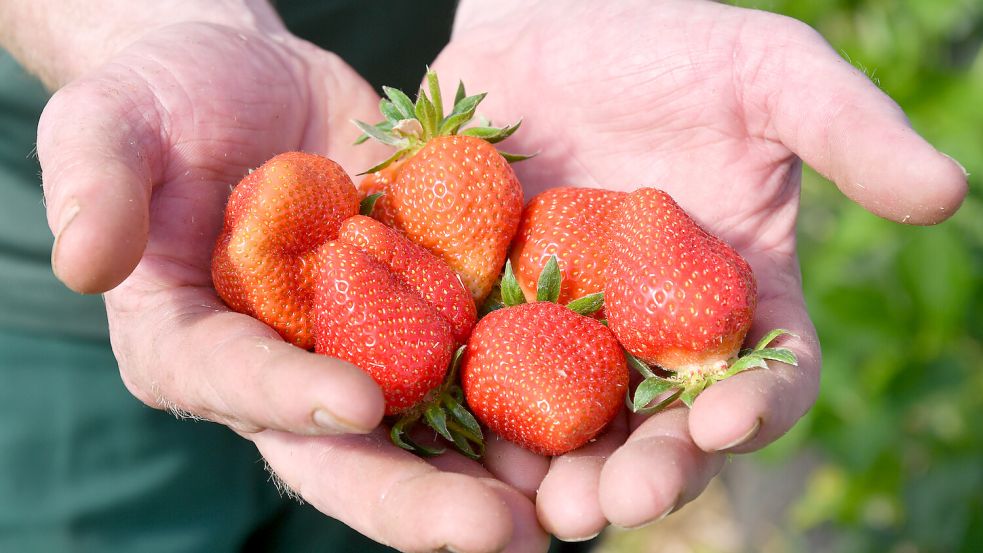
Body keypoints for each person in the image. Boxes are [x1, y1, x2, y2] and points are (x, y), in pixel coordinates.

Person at [0, 1, 967, 552]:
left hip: (475, 156)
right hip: (77, 289)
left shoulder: (444, 263)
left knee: (480, 523)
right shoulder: (376, 250)